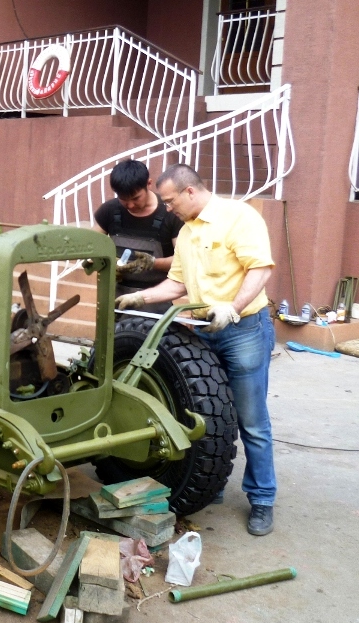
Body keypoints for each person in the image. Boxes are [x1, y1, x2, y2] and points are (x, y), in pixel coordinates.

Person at [115, 164, 277, 536]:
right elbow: (175, 286)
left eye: (170, 200)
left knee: (251, 420)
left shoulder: (239, 218)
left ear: (190, 192)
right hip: (202, 331)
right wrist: (140, 297)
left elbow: (260, 269)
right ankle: (213, 482)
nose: (166, 208)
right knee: (208, 411)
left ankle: (262, 498)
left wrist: (232, 307)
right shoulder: (186, 234)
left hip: (242, 330)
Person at [93, 159, 183, 313]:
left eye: (135, 198)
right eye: (123, 199)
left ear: (148, 184)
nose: (130, 205)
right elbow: (91, 247)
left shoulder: (170, 213)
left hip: (156, 300)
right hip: (115, 298)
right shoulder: (109, 210)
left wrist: (152, 263)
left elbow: (183, 261)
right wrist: (106, 263)